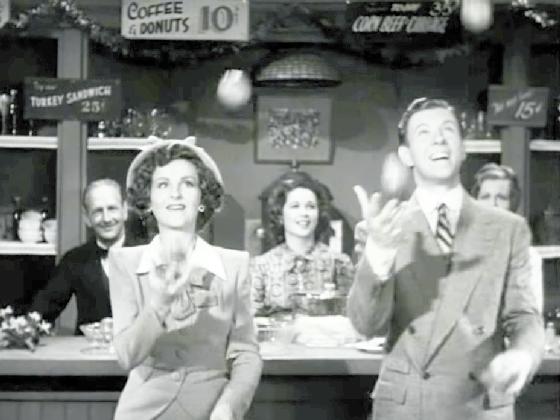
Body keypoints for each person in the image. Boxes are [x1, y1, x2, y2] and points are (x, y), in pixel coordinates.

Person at [348, 98, 544, 420]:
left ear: (463, 149)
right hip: (406, 407)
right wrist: (379, 251)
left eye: (448, 130)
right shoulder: (384, 228)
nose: (438, 139)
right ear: (406, 155)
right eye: (424, 132)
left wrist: (523, 356)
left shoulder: (508, 229)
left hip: (481, 405)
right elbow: (366, 325)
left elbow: (525, 318)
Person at [108, 137, 262, 420]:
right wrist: (158, 307)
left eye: (188, 184)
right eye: (163, 185)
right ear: (148, 201)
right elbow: (126, 356)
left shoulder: (234, 266)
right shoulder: (124, 263)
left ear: (203, 199)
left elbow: (246, 354)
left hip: (212, 411)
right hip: (144, 412)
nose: (175, 194)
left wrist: (229, 407)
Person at [29, 179, 129, 334]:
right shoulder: (75, 259)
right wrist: (19, 331)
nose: (106, 218)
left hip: (140, 349)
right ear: (86, 218)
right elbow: (44, 309)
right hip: (89, 347)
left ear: (125, 210)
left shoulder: (149, 253)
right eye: (98, 211)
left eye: (112, 209)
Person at [250, 171, 354, 317]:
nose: (304, 213)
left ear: (319, 214)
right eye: (295, 206)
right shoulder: (261, 266)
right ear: (280, 215)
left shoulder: (339, 263)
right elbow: (251, 320)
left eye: (310, 206)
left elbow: (352, 316)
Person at [471, 162, 544, 313]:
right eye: (485, 197)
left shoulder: (528, 258)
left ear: (513, 204)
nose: (493, 205)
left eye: (501, 198)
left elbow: (531, 316)